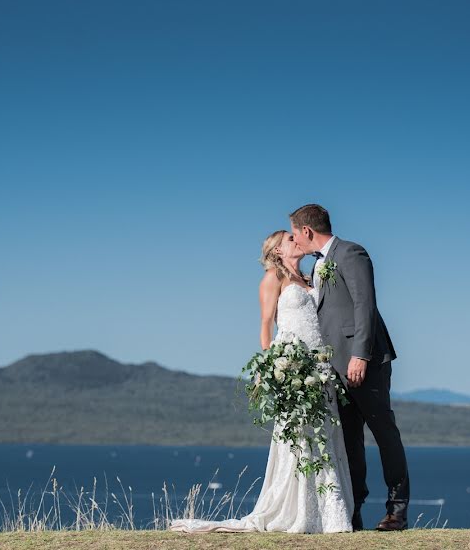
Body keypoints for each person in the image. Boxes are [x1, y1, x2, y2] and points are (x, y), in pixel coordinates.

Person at [169, 230, 354, 533]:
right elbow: (265, 327)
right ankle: (298, 512)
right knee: (299, 438)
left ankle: (329, 513)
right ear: (279, 251)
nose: (297, 240)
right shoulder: (272, 278)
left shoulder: (311, 278)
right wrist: (276, 367)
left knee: (325, 434)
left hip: (319, 367)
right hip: (294, 368)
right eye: (290, 239)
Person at [289, 203, 410, 531]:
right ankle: (352, 513)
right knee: (349, 441)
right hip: (332, 368)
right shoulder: (317, 266)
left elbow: (364, 304)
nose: (294, 240)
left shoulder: (351, 253)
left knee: (384, 432)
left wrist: (361, 355)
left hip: (364, 362)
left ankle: (397, 510)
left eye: (295, 233)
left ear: (308, 231)